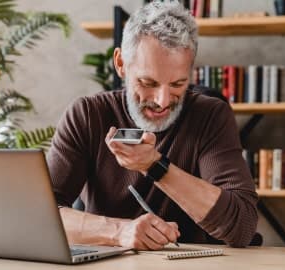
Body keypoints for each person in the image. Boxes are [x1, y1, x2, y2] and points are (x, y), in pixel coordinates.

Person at [47, 0, 258, 250]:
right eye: (148, 83)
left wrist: (154, 166)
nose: (163, 101)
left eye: (178, 84)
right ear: (121, 64)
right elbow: (39, 215)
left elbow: (243, 226)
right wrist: (120, 232)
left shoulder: (210, 115)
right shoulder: (87, 115)